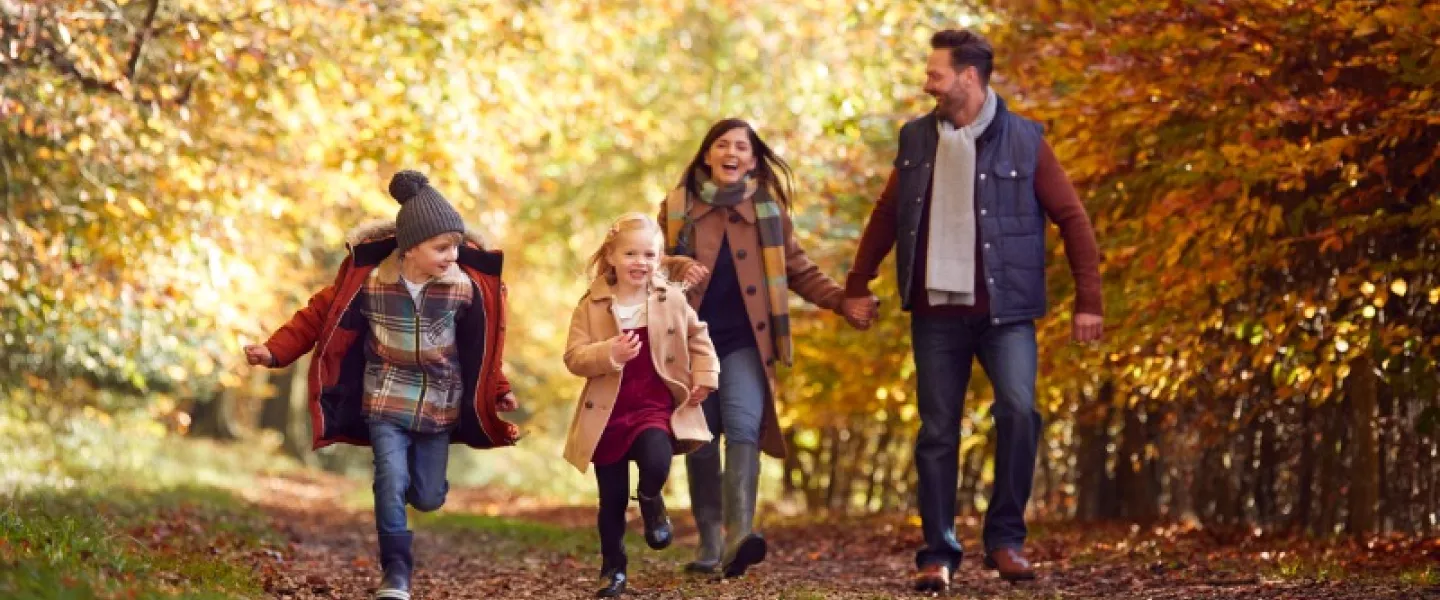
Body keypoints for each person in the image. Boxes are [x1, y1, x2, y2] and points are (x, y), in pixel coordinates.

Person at [842, 30, 1104, 591]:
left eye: (935, 73)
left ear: (968, 76)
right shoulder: (916, 138)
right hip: (936, 314)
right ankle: (936, 554)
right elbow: (887, 214)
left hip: (1006, 312)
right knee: (937, 431)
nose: (926, 82)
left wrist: (1090, 301)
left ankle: (1006, 540)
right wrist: (856, 284)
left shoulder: (1026, 139)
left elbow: (1073, 218)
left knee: (1018, 412)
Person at [244, 170, 521, 600]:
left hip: (438, 405)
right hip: (385, 397)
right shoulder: (370, 282)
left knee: (427, 497)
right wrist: (274, 351)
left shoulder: (462, 289)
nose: (454, 255)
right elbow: (318, 316)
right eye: (442, 247)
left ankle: (420, 492)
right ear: (410, 247)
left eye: (456, 245)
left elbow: (483, 348)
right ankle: (396, 573)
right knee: (389, 479)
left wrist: (498, 390)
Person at [660, 118, 874, 578]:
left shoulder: (768, 214)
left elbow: (800, 271)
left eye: (742, 146)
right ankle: (710, 542)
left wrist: (841, 301)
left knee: (743, 427)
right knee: (701, 438)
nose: (731, 152)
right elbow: (647, 266)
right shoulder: (678, 206)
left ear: (753, 161)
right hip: (692, 342)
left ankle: (739, 537)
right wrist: (676, 265)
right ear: (707, 155)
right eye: (722, 144)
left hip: (747, 344)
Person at [561, 212, 719, 597]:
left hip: (653, 406)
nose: (641, 263)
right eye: (631, 253)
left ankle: (650, 498)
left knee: (656, 459)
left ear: (660, 258)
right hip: (608, 413)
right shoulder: (592, 305)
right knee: (611, 500)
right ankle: (612, 569)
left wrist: (705, 376)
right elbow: (574, 357)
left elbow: (699, 339)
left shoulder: (671, 299)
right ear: (612, 256)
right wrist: (609, 352)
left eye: (649, 255)